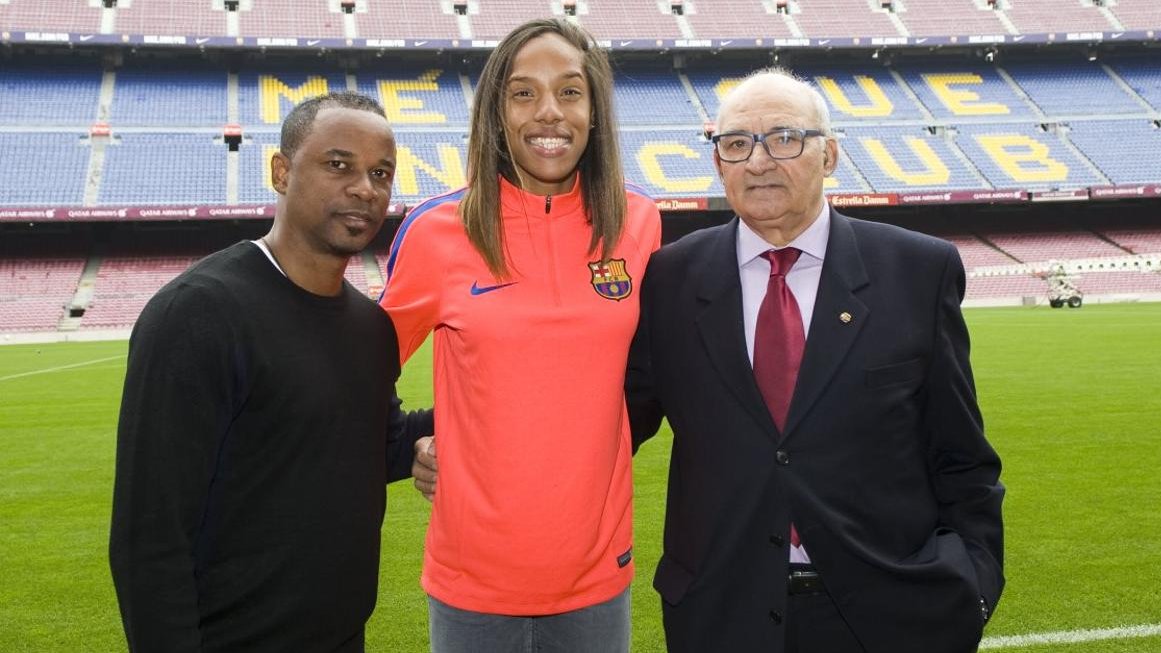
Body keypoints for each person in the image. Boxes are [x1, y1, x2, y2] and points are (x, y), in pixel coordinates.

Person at [624, 69, 1005, 652]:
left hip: (891, 615)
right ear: (718, 162)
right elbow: (609, 422)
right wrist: (434, 435)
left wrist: (974, 584)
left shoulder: (917, 270)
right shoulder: (671, 278)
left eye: (784, 138)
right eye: (736, 144)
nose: (758, 161)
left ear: (828, 154)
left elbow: (962, 457)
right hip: (722, 613)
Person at [109, 91, 434, 652]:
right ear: (281, 172)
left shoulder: (370, 328)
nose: (365, 188)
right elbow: (150, 535)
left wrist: (480, 409)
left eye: (381, 173)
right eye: (339, 165)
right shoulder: (200, 312)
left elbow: (371, 446)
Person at [379, 18, 661, 653]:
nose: (549, 114)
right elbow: (355, 370)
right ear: (496, 113)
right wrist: (410, 443)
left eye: (569, 91)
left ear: (594, 110)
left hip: (596, 576)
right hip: (471, 582)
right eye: (523, 92)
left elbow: (648, 383)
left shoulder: (638, 223)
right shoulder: (437, 231)